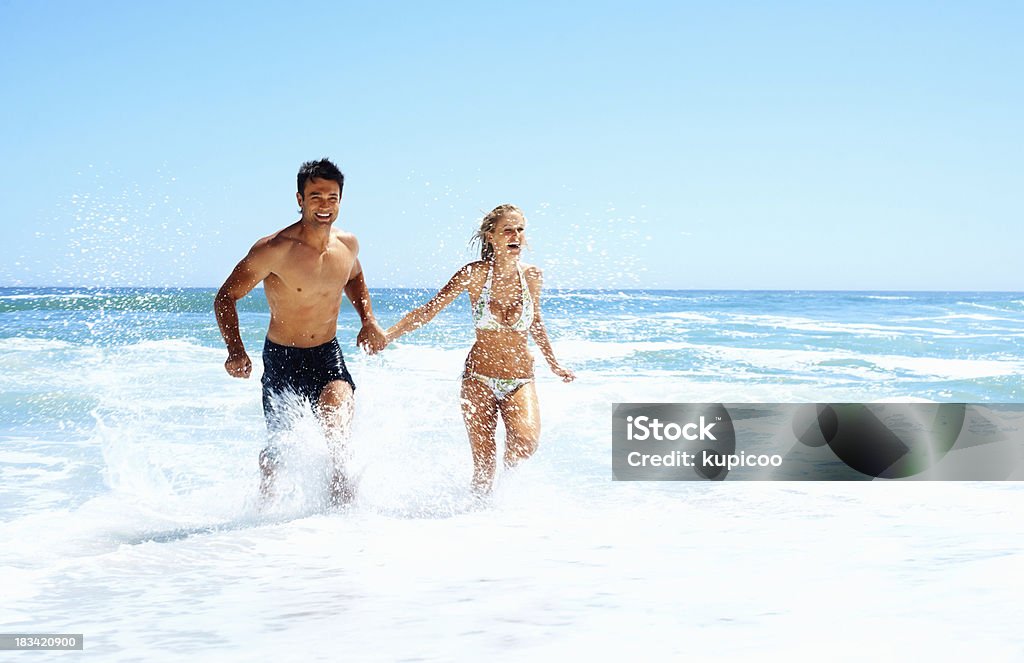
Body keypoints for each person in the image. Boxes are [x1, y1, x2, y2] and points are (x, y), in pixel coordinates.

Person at [214, 158, 385, 504]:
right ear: (300, 199)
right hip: (283, 358)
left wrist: (368, 320)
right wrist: (235, 349)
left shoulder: (348, 245)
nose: (324, 205)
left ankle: (339, 503)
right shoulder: (274, 249)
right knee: (279, 449)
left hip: (326, 353)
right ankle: (264, 511)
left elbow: (353, 277)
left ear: (340, 200)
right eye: (316, 197)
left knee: (338, 420)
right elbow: (225, 296)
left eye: (332, 197)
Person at [373, 204, 575, 494]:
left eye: (520, 230)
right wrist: (388, 335)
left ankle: (503, 498)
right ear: (491, 236)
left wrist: (554, 364)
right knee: (483, 467)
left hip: (520, 378)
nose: (515, 235)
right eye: (508, 230)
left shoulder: (532, 276)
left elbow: (536, 321)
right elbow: (430, 310)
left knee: (524, 445)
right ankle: (476, 522)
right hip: (478, 378)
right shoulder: (475, 275)